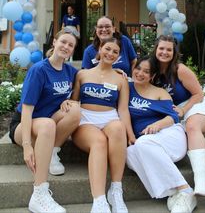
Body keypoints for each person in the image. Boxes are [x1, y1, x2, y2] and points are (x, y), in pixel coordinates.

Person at [150, 35, 205, 212]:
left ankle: (201, 181)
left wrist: (184, 111)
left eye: (169, 49)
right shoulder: (152, 72)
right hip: (177, 112)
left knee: (192, 127)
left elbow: (198, 94)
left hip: (196, 105)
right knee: (194, 136)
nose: (164, 52)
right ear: (155, 50)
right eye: (161, 48)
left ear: (174, 52)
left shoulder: (180, 69)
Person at [9, 28, 81, 213]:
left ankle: (52, 152)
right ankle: (39, 194)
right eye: (63, 42)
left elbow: (91, 77)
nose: (66, 47)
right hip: (24, 124)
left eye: (70, 45)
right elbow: (26, 110)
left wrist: (121, 73)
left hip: (48, 124)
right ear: (54, 42)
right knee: (47, 124)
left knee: (75, 109)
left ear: (73, 50)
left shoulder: (71, 72)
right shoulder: (39, 70)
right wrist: (27, 146)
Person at [71, 37, 135, 213]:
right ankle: (99, 201)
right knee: (99, 141)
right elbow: (74, 103)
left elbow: (123, 110)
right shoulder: (82, 74)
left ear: (119, 56)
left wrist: (130, 134)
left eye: (115, 52)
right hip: (85, 120)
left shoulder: (121, 79)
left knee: (117, 128)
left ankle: (116, 191)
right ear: (100, 48)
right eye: (107, 49)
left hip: (109, 117)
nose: (110, 54)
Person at [126, 56, 197, 213]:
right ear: (132, 69)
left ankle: (185, 190)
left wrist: (157, 125)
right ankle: (172, 193)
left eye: (146, 71)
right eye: (138, 69)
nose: (140, 73)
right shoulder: (127, 88)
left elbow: (172, 117)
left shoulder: (160, 92)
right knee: (128, 154)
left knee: (142, 144)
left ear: (152, 76)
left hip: (169, 135)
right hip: (146, 144)